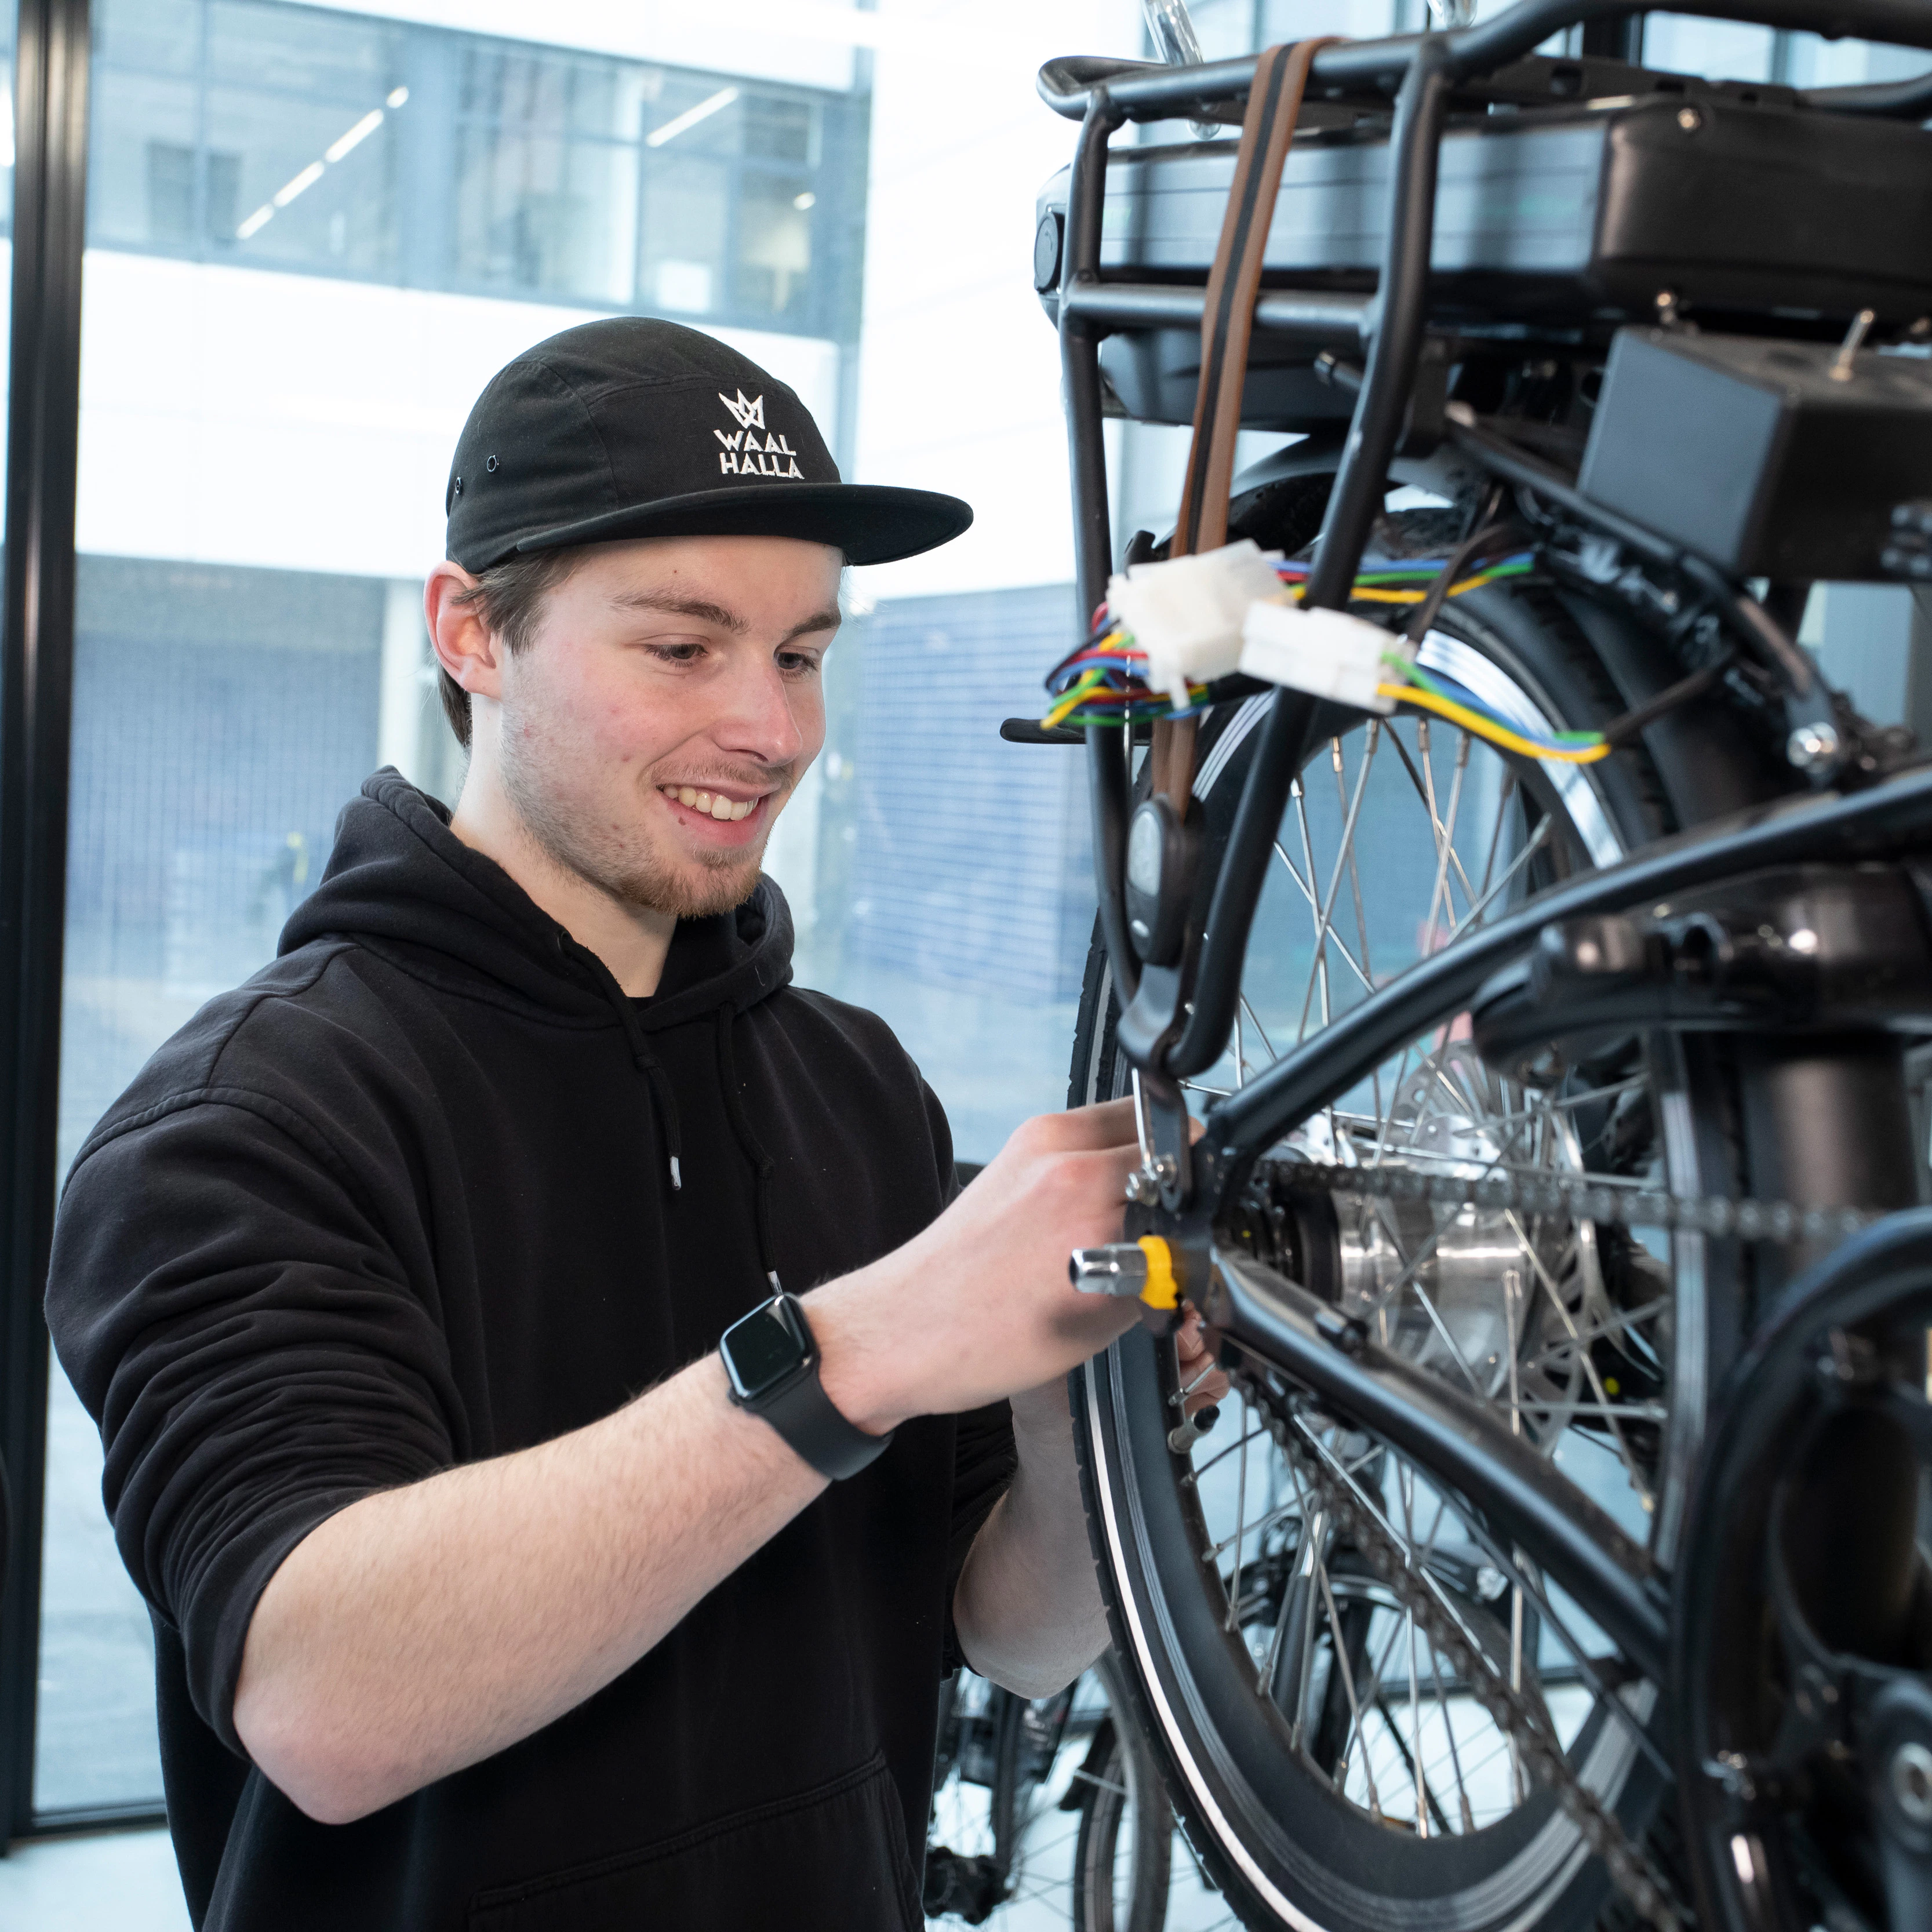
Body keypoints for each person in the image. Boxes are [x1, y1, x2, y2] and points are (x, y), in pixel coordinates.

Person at [45, 317, 1222, 1931]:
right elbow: (324, 1696)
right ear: (471, 631)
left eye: (801, 653)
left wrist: (1075, 1411)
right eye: (682, 648)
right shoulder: (242, 1125)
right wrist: (860, 1346)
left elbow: (1011, 1631)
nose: (773, 729)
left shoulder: (855, 1082)